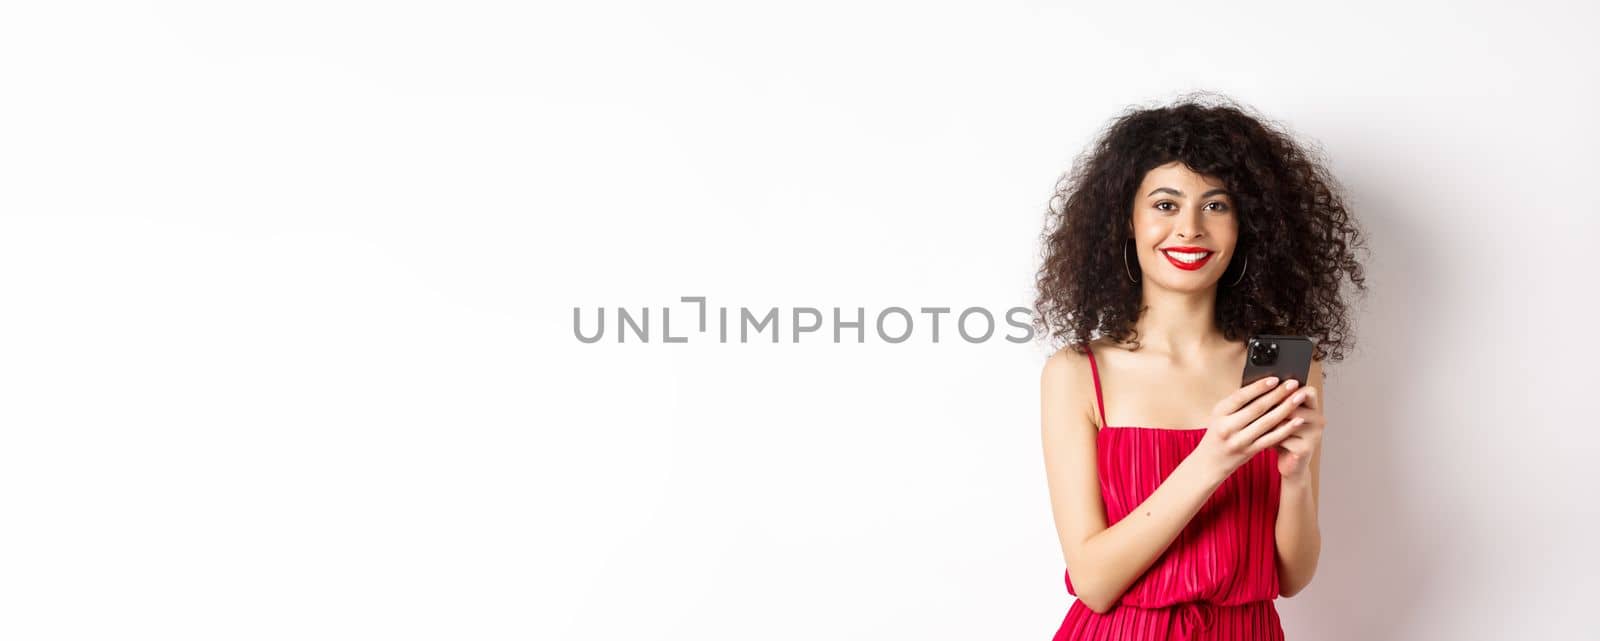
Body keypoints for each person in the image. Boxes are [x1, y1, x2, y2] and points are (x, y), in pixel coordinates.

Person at [1033, 93, 1368, 640]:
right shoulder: (1076, 374)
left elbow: (1292, 576)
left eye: (1216, 205)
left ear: (1246, 227)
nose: (1190, 229)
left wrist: (1295, 477)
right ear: (1127, 220)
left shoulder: (1292, 371)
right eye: (1165, 205)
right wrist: (1214, 459)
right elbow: (1094, 582)